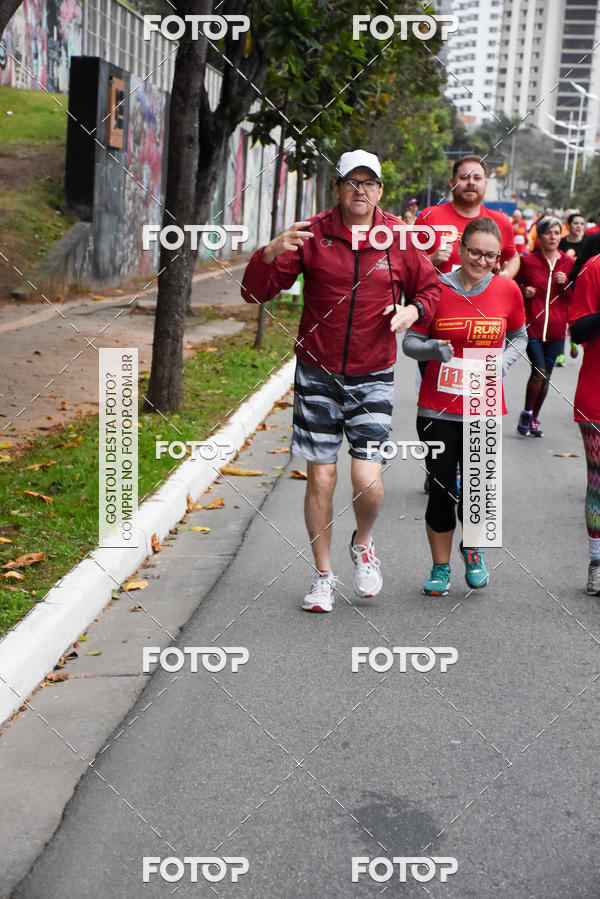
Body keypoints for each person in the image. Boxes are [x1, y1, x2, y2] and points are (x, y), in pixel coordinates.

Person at [241, 149, 440, 612]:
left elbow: (430, 288)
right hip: (317, 372)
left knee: (367, 480)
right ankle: (323, 575)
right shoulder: (312, 235)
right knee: (323, 477)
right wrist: (267, 252)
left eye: (370, 183)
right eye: (353, 182)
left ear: (381, 191)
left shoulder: (399, 239)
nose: (361, 191)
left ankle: (363, 542)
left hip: (373, 373)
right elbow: (255, 291)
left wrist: (413, 310)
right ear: (338, 188)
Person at [402, 218, 527, 596]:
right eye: (475, 252)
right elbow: (410, 341)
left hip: (484, 404)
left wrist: (502, 364)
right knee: (441, 488)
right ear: (461, 250)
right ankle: (440, 567)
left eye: (491, 255)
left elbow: (520, 335)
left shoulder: (508, 290)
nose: (482, 260)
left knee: (479, 489)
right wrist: (433, 350)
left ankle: (472, 550)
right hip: (437, 408)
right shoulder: (435, 289)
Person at [515, 216, 574, 437]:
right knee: (538, 371)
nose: (552, 237)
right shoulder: (528, 261)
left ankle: (534, 416)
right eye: (548, 233)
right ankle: (528, 412)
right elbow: (513, 284)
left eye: (556, 233)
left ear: (561, 236)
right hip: (533, 328)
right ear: (539, 237)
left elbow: (576, 295)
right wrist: (523, 290)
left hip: (557, 331)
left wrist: (566, 284)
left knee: (547, 376)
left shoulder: (569, 264)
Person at [415, 155, 520, 278]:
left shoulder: (501, 221)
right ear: (452, 182)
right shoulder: (428, 217)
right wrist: (431, 259)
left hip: (485, 297)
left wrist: (506, 275)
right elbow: (407, 264)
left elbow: (513, 256)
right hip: (437, 296)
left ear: (485, 184)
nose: (471, 183)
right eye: (464, 177)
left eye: (477, 178)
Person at [569, 255, 600, 594]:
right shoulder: (595, 268)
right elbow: (578, 331)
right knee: (599, 484)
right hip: (597, 396)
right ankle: (597, 563)